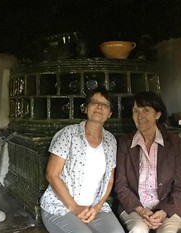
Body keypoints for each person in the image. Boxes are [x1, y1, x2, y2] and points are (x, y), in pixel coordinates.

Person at [40, 88, 125, 233]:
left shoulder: (111, 140)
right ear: (85, 108)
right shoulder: (68, 134)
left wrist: (97, 207)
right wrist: (74, 207)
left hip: (94, 208)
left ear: (110, 113)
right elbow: (51, 174)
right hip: (61, 207)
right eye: (94, 102)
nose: (99, 106)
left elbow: (109, 180)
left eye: (105, 105)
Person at [114, 91, 181, 233]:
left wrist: (164, 211)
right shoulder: (125, 143)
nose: (140, 116)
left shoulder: (174, 143)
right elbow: (121, 185)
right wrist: (142, 211)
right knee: (138, 229)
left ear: (158, 115)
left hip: (168, 206)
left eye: (146, 110)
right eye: (135, 111)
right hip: (135, 208)